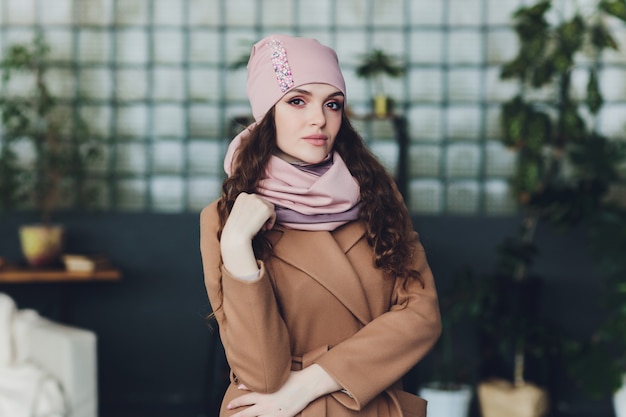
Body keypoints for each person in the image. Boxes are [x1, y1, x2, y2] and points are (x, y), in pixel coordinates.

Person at [200, 34, 441, 417]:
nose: (320, 119)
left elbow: (422, 315)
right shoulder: (226, 217)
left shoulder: (377, 195)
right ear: (268, 112)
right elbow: (263, 374)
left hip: (364, 403)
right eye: (298, 101)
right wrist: (236, 249)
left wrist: (312, 383)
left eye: (333, 104)